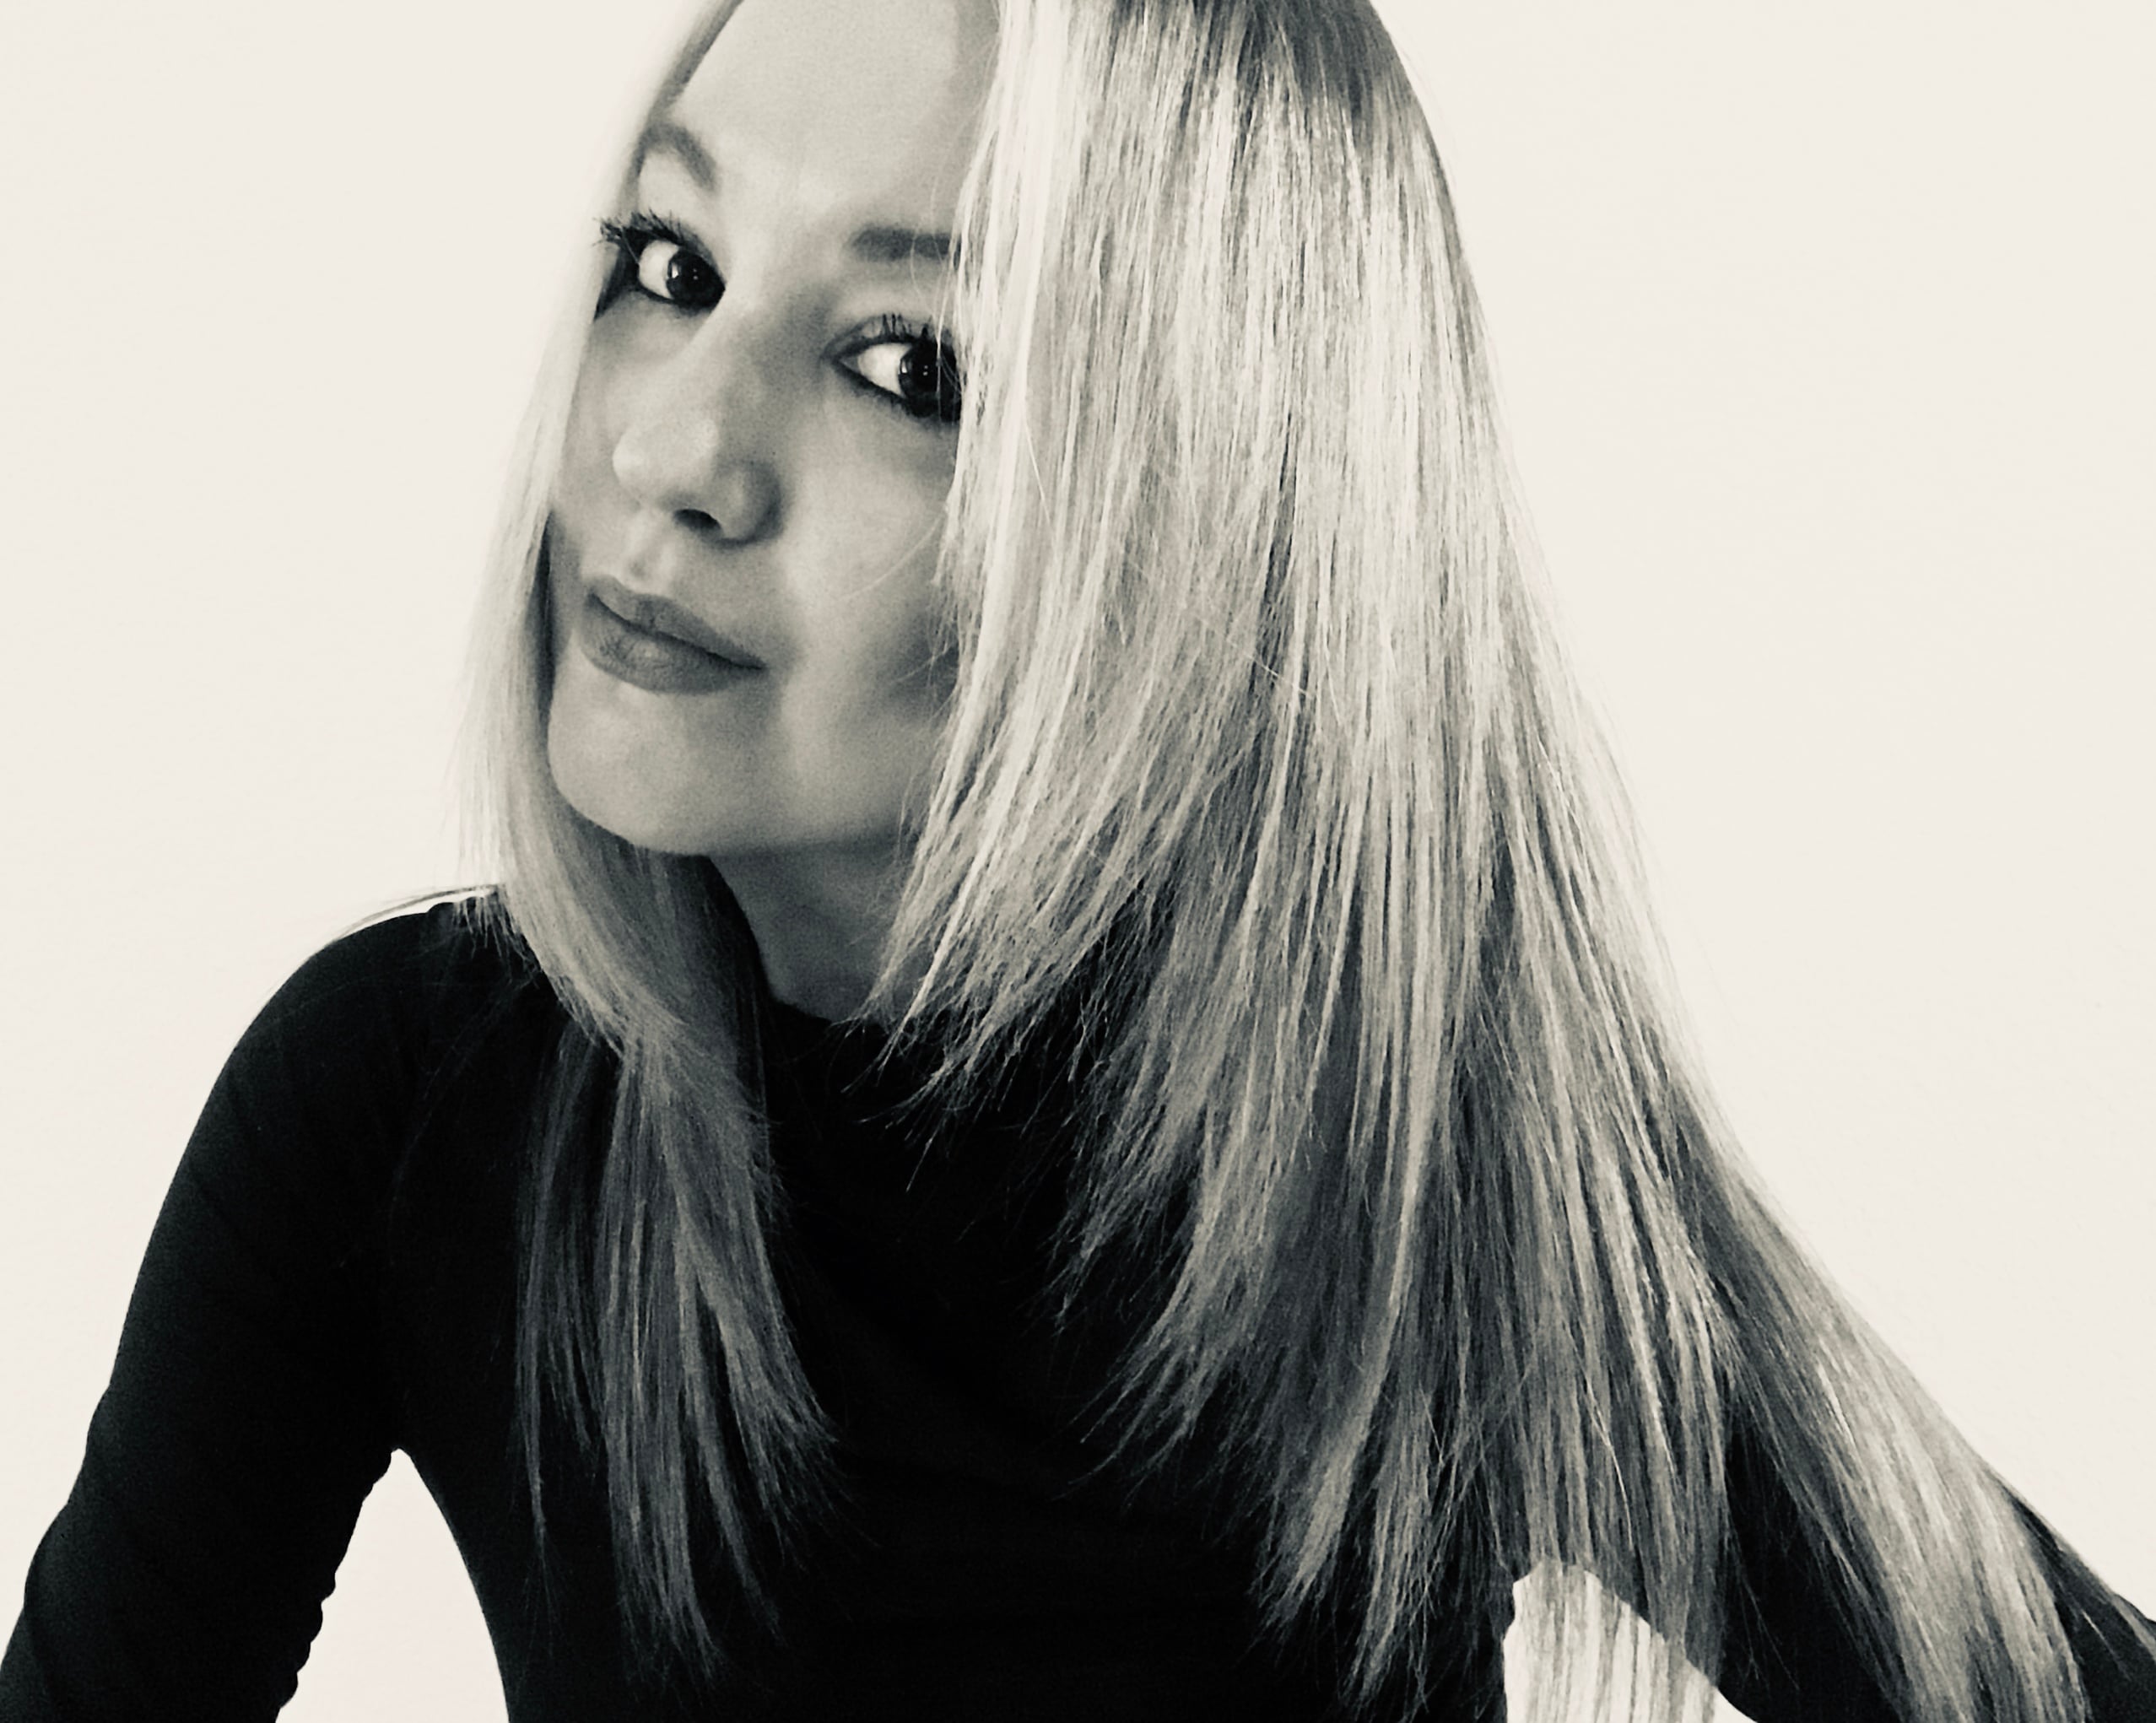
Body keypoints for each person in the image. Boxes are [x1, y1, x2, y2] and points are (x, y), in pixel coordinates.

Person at [3, 0, 2151, 1717]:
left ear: (1206, 525)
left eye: (907, 365)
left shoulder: (1421, 1195)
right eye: (670, 266)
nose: (668, 449)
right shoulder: (411, 1101)